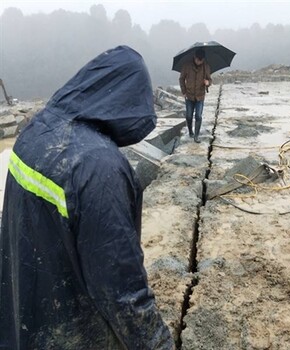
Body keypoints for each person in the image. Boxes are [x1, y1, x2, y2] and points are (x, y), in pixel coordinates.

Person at [0, 46, 174, 350]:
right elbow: (123, 292)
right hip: (74, 332)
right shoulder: (96, 166)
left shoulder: (35, 133)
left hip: (26, 319)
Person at [179, 48, 212, 143]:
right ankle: (190, 131)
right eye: (198, 60)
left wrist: (207, 82)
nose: (199, 62)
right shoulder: (187, 66)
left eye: (201, 60)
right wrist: (184, 91)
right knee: (189, 116)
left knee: (198, 116)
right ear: (195, 57)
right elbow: (181, 79)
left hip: (200, 96)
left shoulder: (206, 67)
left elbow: (210, 80)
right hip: (189, 95)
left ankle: (196, 135)